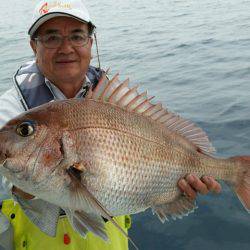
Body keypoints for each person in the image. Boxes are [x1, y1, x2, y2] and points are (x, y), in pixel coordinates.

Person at [0, 0, 221, 249]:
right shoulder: (11, 107)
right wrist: (53, 171)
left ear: (90, 43)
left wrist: (186, 183)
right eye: (52, 38)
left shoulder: (116, 103)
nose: (66, 48)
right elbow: (14, 182)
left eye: (76, 36)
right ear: (34, 46)